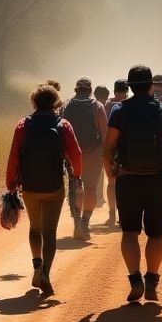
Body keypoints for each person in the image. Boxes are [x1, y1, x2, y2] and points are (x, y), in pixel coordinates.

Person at [104, 64, 162, 303]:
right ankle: (152, 280)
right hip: (158, 179)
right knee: (155, 234)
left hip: (128, 178)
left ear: (130, 87)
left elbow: (108, 147)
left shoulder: (119, 111)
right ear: (152, 85)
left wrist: (110, 173)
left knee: (130, 232)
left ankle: (135, 280)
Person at [6, 83, 83, 296]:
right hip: (54, 186)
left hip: (30, 186)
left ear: (35, 102)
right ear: (56, 102)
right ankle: (46, 273)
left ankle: (36, 267)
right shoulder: (63, 125)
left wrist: (11, 183)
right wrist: (77, 176)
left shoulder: (23, 125)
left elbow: (14, 156)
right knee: (50, 232)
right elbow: (76, 154)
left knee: (35, 228)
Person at [60, 77, 108, 240]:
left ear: (76, 90)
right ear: (90, 91)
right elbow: (105, 131)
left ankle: (77, 223)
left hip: (72, 153)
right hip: (93, 152)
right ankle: (85, 224)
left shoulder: (66, 105)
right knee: (90, 189)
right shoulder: (97, 106)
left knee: (75, 187)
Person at [103, 79, 130, 227]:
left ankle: (112, 214)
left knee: (111, 181)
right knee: (126, 181)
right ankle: (123, 213)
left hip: (112, 147)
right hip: (126, 148)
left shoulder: (108, 105)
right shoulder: (129, 105)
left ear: (114, 91)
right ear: (127, 91)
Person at [93, 85, 110, 208]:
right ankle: (98, 198)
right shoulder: (102, 106)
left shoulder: (90, 105)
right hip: (98, 145)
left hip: (87, 144)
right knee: (99, 172)